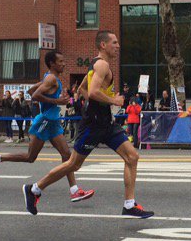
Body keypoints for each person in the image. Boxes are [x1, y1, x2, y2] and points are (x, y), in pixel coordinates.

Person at [23, 31, 152, 218]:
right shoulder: (101, 65)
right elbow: (91, 92)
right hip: (93, 124)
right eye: (114, 42)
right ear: (103, 45)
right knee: (73, 164)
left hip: (106, 123)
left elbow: (83, 89)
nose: (117, 46)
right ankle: (34, 189)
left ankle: (129, 205)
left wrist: (95, 105)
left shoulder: (96, 64)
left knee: (132, 157)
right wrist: (113, 101)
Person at [0, 51, 94, 202]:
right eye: (60, 61)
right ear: (52, 64)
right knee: (30, 157)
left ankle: (74, 190)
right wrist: (58, 102)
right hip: (44, 122)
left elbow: (30, 91)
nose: (63, 63)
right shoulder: (50, 79)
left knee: (67, 155)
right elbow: (34, 96)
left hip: (53, 122)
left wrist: (51, 99)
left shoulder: (50, 78)